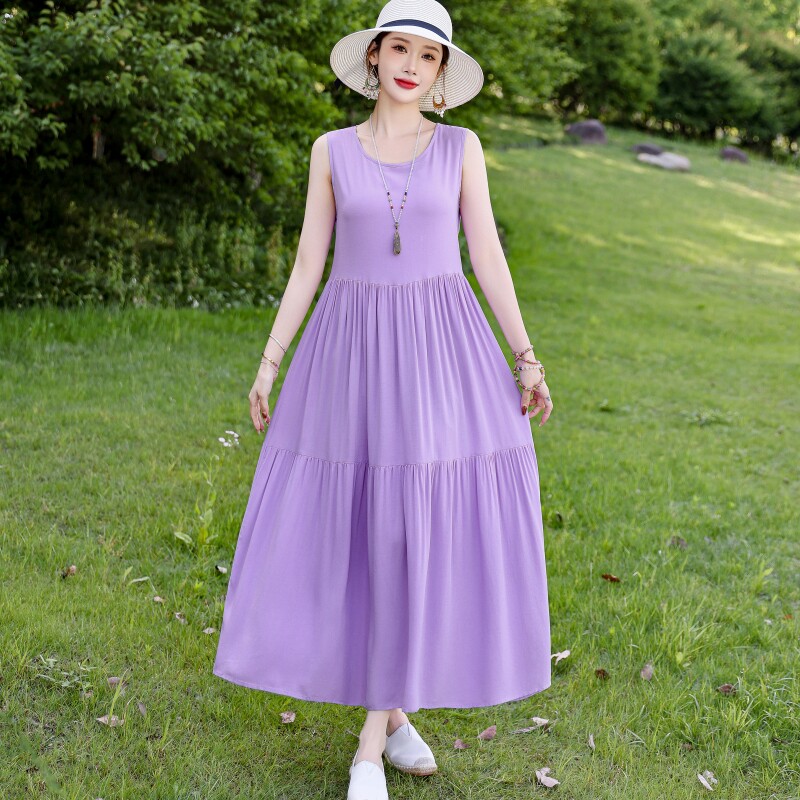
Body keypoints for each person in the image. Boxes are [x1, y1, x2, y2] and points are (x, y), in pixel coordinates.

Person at [212, 1, 554, 797]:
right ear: (374, 56)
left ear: (441, 74)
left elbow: (487, 255)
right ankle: (396, 719)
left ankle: (369, 746)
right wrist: (269, 361)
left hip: (441, 351)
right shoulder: (330, 150)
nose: (410, 66)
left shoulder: (461, 149)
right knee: (370, 527)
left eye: (427, 57)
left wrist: (525, 357)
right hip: (351, 351)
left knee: (410, 527)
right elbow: (310, 261)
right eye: (399, 49)